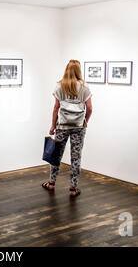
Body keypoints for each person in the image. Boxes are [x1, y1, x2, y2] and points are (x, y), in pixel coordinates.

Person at [42, 60, 93, 197]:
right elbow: (89, 108)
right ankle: (73, 188)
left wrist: (53, 125)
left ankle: (52, 183)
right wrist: (85, 122)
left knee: (56, 155)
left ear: (67, 70)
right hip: (78, 127)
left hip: (62, 126)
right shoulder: (85, 87)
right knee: (76, 158)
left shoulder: (59, 86)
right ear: (78, 70)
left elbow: (56, 108)